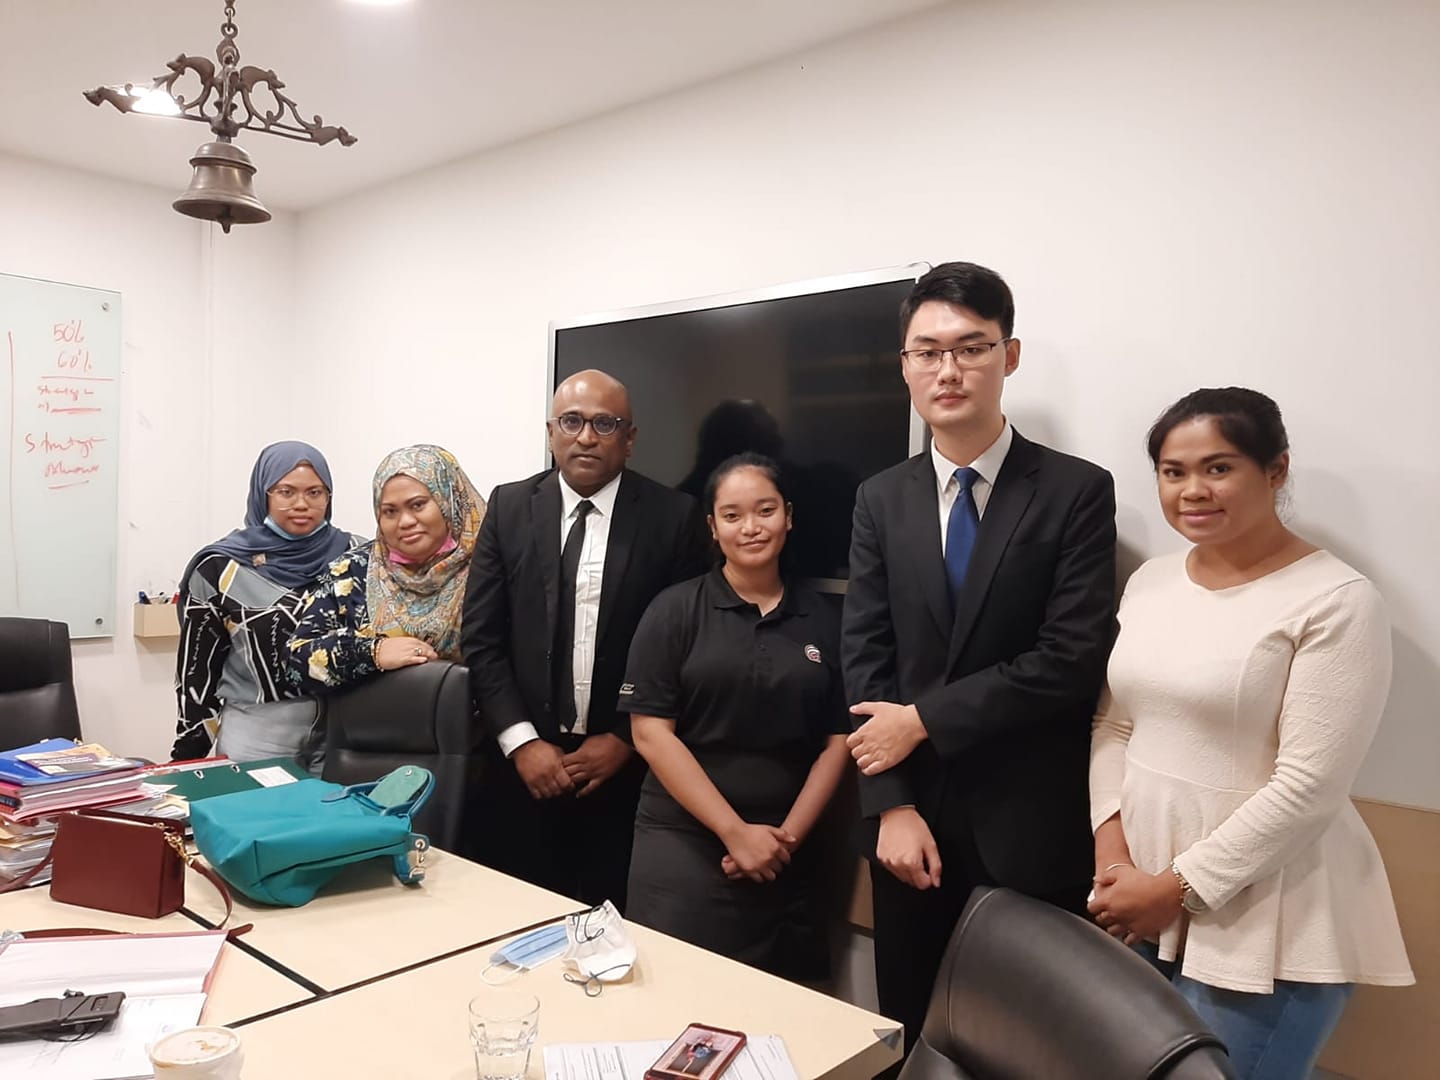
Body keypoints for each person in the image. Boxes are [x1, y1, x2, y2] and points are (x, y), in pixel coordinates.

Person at [1088, 388, 1412, 1079]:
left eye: (1218, 467)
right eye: (1173, 472)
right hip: (1139, 890)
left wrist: (1172, 888)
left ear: (1276, 470)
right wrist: (1114, 857)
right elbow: (1116, 723)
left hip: (1267, 914)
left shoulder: (1336, 600)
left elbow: (1309, 787)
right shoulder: (1150, 582)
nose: (1192, 490)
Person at [841, 262, 1117, 1052]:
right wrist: (890, 806)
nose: (948, 370)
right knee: (912, 1032)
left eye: (971, 347)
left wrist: (923, 719)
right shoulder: (880, 497)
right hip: (910, 828)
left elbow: (1069, 658)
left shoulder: (1075, 490)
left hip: (1029, 828)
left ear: (1010, 355)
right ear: (904, 366)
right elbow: (865, 660)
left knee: (1030, 1046)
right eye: (927, 352)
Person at [463, 369, 710, 909]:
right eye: (572, 421)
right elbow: (482, 638)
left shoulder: (674, 517)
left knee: (618, 926)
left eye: (605, 423)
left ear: (630, 437)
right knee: (519, 921)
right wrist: (522, 742)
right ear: (551, 431)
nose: (586, 437)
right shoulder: (508, 508)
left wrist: (624, 740)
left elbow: (687, 649)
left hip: (628, 774)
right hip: (522, 770)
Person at [620, 454, 851, 981]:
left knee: (784, 1007)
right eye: (732, 515)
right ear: (712, 526)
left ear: (788, 516)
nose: (751, 527)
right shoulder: (673, 610)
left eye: (765, 510)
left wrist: (784, 840)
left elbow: (838, 740)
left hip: (788, 847)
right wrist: (735, 833)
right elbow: (650, 734)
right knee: (677, 995)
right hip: (684, 842)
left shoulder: (825, 619)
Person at [172, 441, 359, 764]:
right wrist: (187, 759)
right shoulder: (220, 568)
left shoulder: (358, 556)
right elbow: (197, 673)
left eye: (315, 492)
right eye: (286, 492)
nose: (301, 504)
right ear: (264, 494)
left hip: (344, 735)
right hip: (256, 738)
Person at [289, 444, 485, 691]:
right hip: (378, 716)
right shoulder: (351, 572)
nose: (405, 522)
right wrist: (373, 652)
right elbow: (296, 660)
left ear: (450, 501)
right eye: (390, 511)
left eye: (417, 505)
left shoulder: (491, 564)